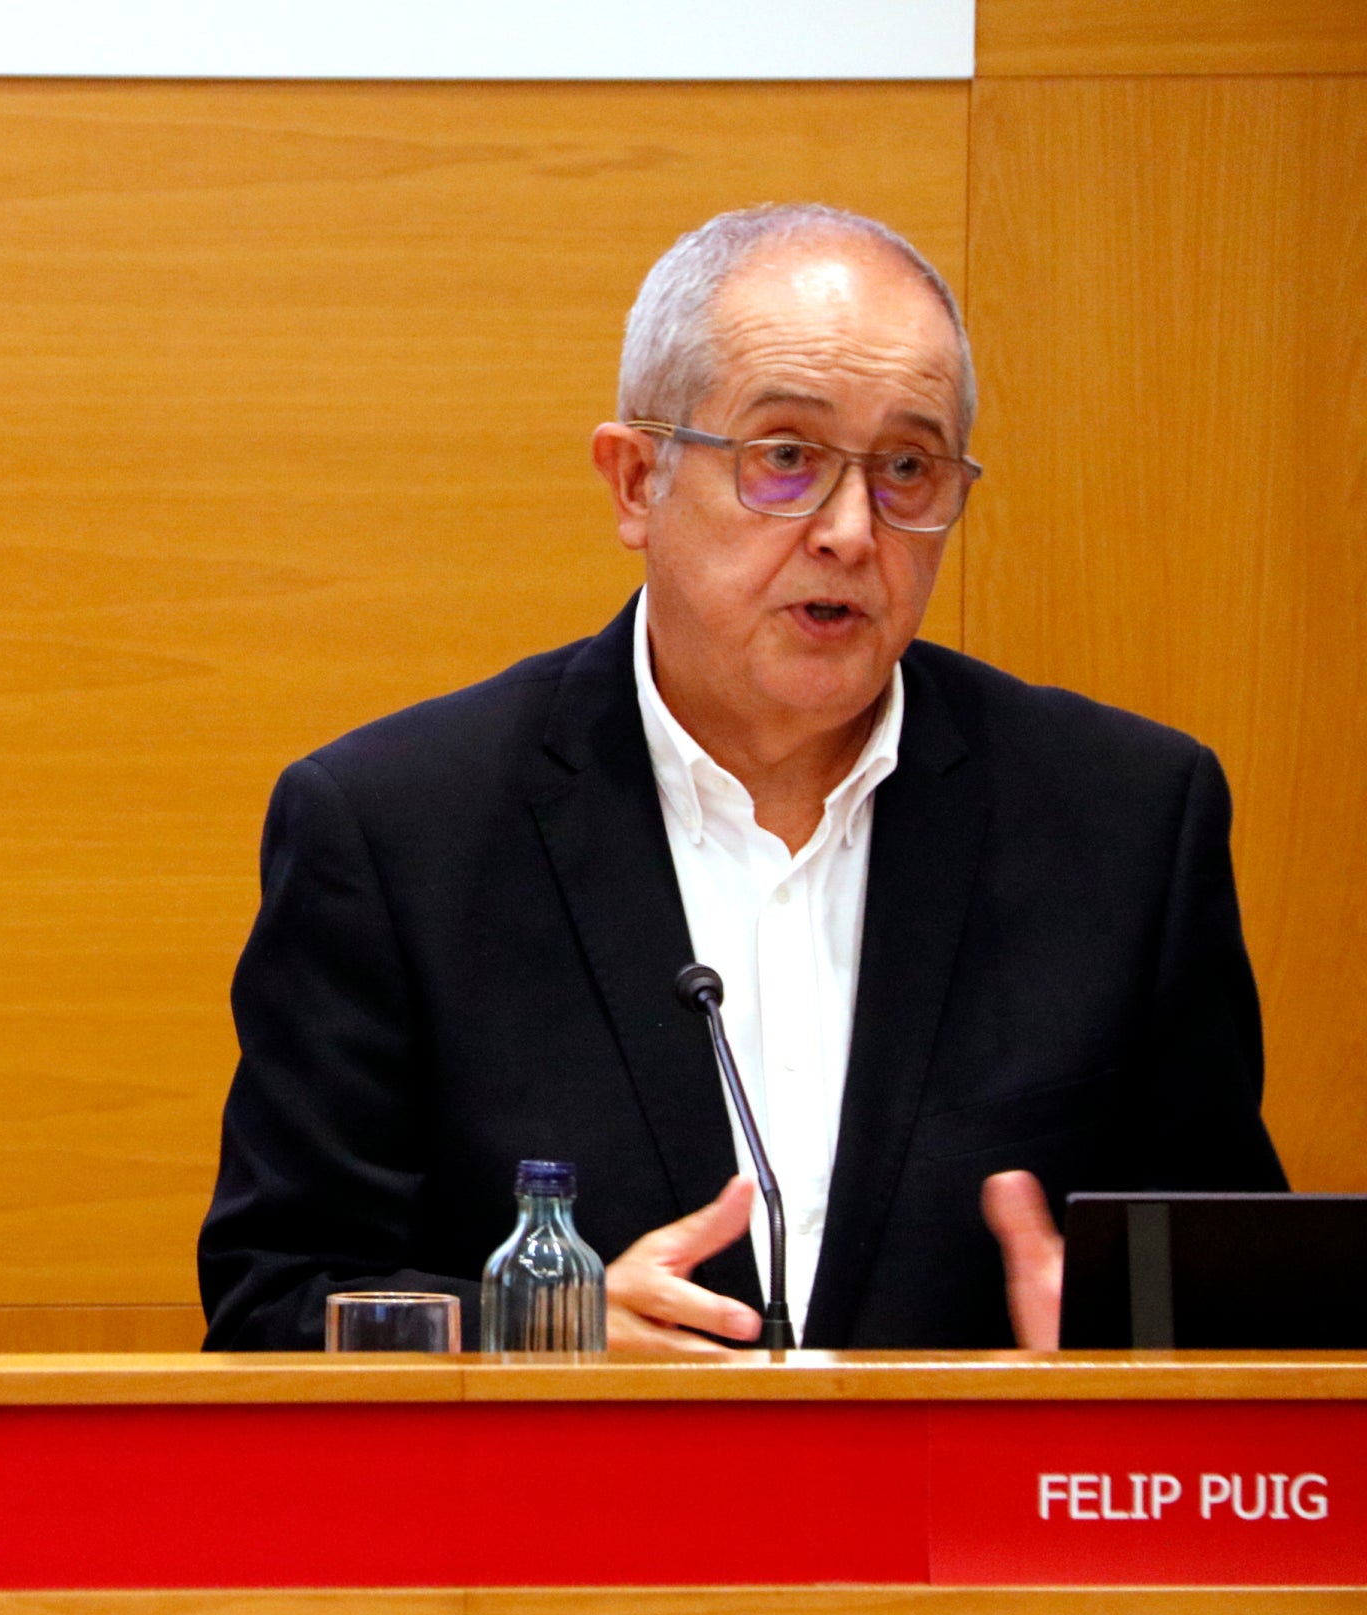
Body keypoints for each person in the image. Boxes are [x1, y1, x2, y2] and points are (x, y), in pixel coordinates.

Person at [199, 204, 1286, 1353]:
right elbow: (273, 1305)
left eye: (908, 468)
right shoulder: (395, 831)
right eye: (785, 459)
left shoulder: (1125, 823)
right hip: (571, 1524)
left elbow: (1241, 1310)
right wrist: (534, 1336)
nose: (853, 532)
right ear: (635, 483)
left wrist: (1131, 1341)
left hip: (973, 1528)